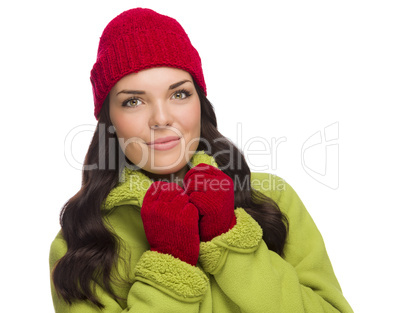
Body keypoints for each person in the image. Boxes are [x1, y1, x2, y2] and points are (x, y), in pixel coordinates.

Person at [49, 7, 353, 313]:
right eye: (133, 101)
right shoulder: (81, 240)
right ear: (109, 120)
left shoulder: (271, 198)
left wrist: (231, 241)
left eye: (179, 94)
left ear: (200, 103)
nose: (162, 118)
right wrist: (169, 265)